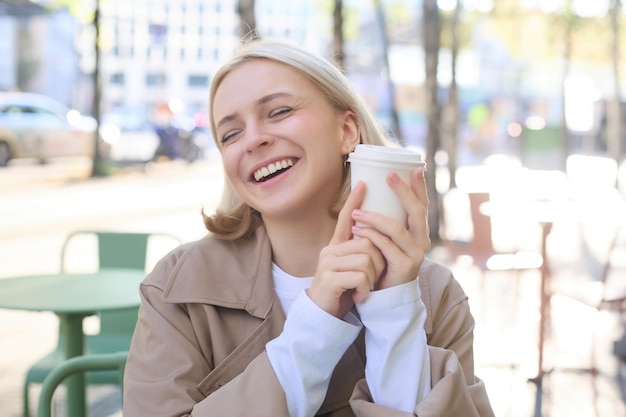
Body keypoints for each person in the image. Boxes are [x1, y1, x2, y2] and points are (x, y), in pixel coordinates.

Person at [123, 39, 495, 417]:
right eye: (230, 134)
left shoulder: (435, 295)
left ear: (347, 131)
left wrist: (393, 311)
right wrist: (315, 323)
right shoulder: (179, 286)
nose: (253, 139)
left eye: (279, 111)